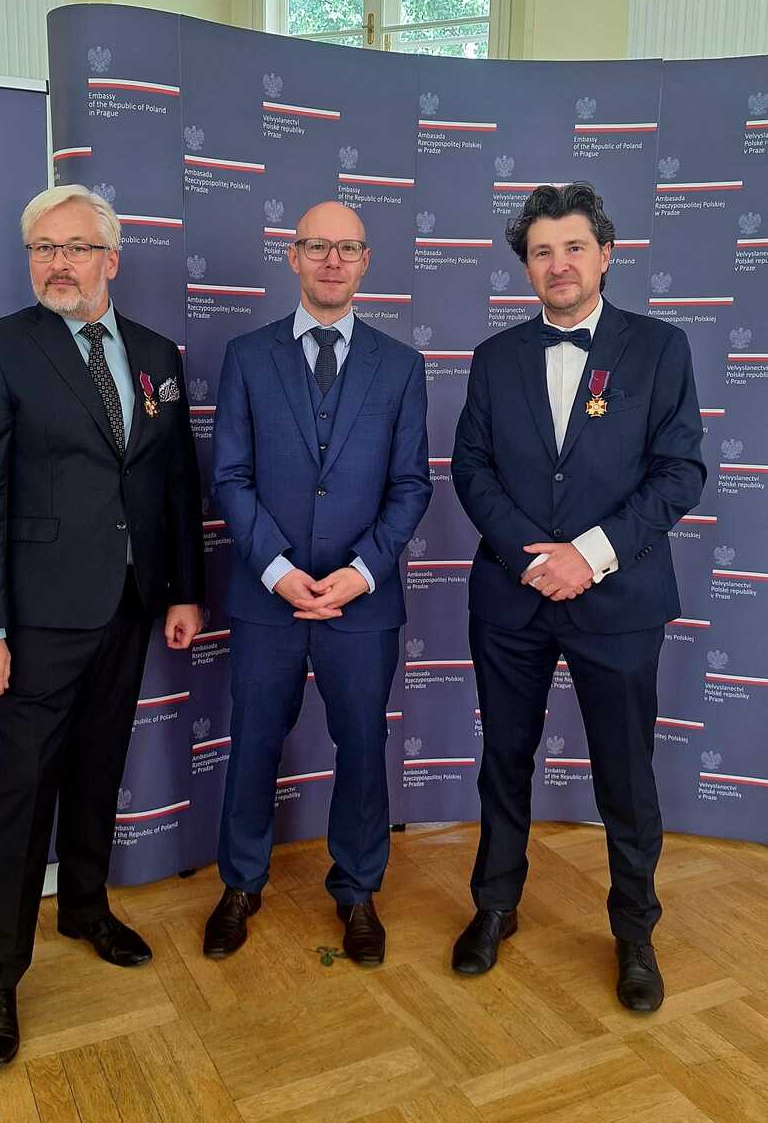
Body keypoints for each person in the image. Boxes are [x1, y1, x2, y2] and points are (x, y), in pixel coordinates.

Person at [0, 184, 204, 1067]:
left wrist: (183, 590)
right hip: (36, 620)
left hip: (129, 606)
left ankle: (86, 909)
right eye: (43, 249)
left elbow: (175, 482)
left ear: (111, 260)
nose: (59, 263)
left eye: (77, 248)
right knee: (23, 793)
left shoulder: (156, 355)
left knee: (99, 769)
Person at [450, 182, 705, 1011]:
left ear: (606, 255)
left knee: (625, 776)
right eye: (541, 252)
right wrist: (535, 559)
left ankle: (634, 932)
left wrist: (587, 557)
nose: (557, 264)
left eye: (573, 248)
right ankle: (495, 905)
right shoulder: (494, 359)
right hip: (513, 598)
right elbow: (471, 469)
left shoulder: (660, 349)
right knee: (504, 762)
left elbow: (680, 473)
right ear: (525, 267)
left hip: (619, 602)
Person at [205, 201, 431, 964]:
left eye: (347, 248)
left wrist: (360, 574)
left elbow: (411, 486)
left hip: (362, 605)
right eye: (317, 246)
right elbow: (230, 476)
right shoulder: (247, 356)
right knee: (253, 743)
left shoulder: (401, 367)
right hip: (266, 597)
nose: (332, 260)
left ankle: (358, 889)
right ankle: (240, 884)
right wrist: (277, 571)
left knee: (363, 746)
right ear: (293, 256)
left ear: (366, 261)